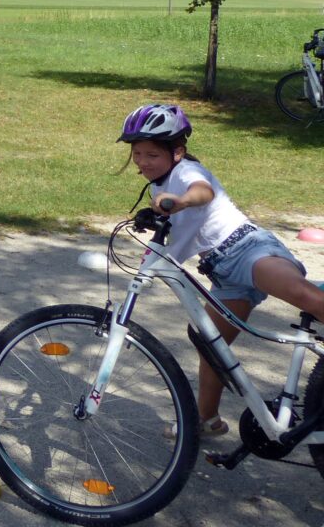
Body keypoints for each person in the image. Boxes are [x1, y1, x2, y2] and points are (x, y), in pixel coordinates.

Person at [117, 104, 324, 439]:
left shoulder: (187, 172)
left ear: (177, 152)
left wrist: (181, 201)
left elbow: (203, 192)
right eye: (137, 154)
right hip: (223, 272)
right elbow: (182, 232)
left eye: (152, 154)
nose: (142, 161)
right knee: (211, 345)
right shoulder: (159, 185)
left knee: (304, 296)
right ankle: (208, 420)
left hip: (247, 249)